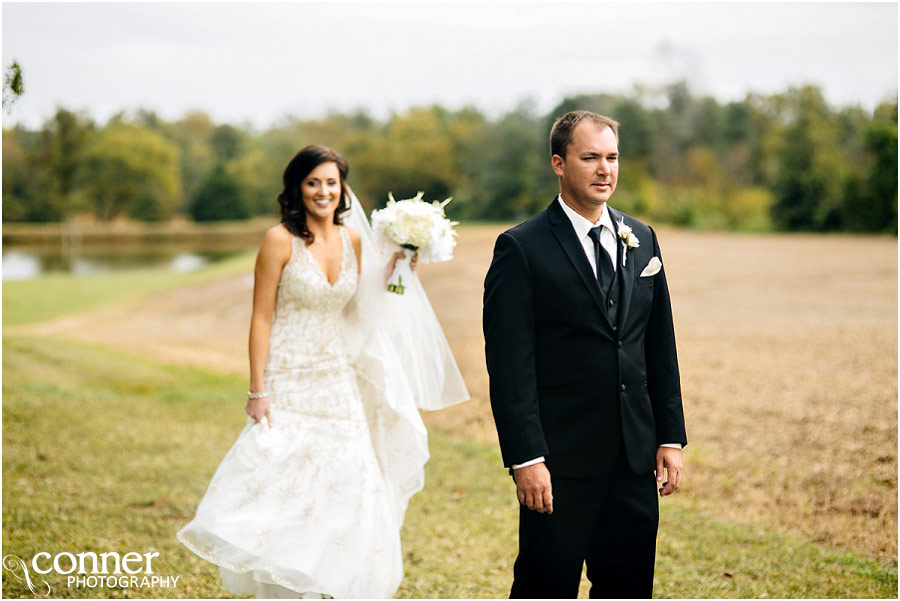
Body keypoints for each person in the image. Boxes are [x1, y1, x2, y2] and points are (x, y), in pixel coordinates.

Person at [178, 145, 468, 598]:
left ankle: (333, 584)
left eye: (331, 182)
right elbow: (261, 318)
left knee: (349, 481)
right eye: (313, 182)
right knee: (284, 478)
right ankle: (287, 583)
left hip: (338, 378)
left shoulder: (352, 240)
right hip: (289, 375)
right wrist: (259, 390)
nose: (323, 191)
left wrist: (399, 266)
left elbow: (366, 303)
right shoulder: (279, 240)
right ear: (297, 187)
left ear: (342, 188)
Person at [483, 111, 687, 599]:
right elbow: (510, 367)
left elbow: (660, 344)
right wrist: (525, 458)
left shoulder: (642, 238)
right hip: (558, 463)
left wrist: (671, 437)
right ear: (558, 163)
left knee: (628, 588)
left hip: (634, 457)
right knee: (543, 587)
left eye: (612, 157)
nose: (605, 170)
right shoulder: (520, 247)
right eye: (590, 157)